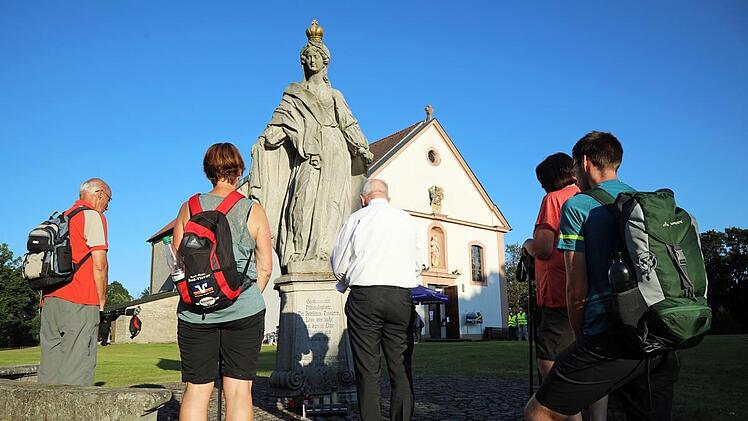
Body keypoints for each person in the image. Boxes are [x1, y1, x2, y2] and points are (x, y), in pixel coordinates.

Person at [525, 132, 680, 421]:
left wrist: (581, 338)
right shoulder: (641, 201)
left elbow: (576, 287)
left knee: (538, 413)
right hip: (658, 333)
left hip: (609, 335)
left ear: (583, 162)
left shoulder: (578, 206)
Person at [250, 20, 373, 273]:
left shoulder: (335, 95)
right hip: (307, 155)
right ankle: (298, 250)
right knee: (301, 201)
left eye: (316, 56)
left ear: (325, 62)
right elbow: (280, 121)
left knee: (330, 205)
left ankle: (326, 251)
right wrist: (265, 140)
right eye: (307, 57)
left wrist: (361, 146)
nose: (311, 61)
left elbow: (348, 123)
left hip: (335, 151)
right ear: (302, 62)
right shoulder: (294, 93)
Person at [172, 143, 273, 421]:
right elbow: (265, 266)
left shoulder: (189, 207)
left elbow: (180, 261)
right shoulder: (252, 209)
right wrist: (238, 297)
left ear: (208, 171)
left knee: (196, 390)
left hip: (196, 313)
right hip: (243, 310)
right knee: (239, 391)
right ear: (239, 170)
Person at [331, 179, 421, 421]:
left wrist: (345, 281)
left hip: (365, 295)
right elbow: (418, 264)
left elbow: (338, 262)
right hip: (400, 296)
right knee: (400, 367)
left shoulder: (356, 219)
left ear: (363, 198)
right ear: (387, 197)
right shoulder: (407, 220)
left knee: (367, 370)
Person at [38, 178, 111, 385]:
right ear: (99, 193)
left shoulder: (60, 219)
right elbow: (100, 265)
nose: (107, 207)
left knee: (49, 371)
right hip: (80, 300)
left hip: (51, 300)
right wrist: (101, 300)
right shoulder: (92, 216)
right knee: (77, 370)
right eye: (108, 200)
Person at [522, 153, 579, 378]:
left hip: (557, 293)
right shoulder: (585, 197)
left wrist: (527, 245)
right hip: (584, 289)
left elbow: (544, 248)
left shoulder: (554, 199)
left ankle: (559, 410)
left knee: (550, 362)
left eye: (542, 181)